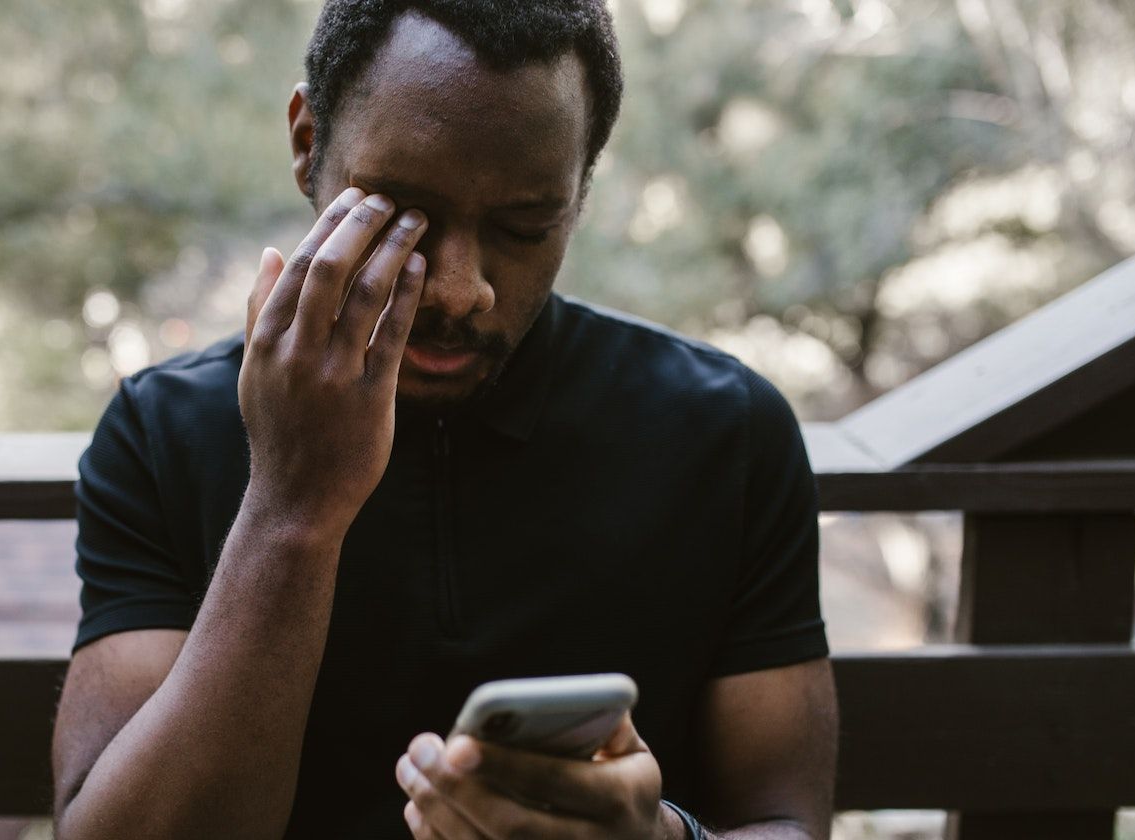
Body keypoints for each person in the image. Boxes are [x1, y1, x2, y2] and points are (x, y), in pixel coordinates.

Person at [52, 1, 837, 838]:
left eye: (524, 226)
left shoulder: (725, 434)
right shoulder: (161, 432)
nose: (462, 291)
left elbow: (786, 818)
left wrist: (660, 839)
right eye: (403, 213)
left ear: (581, 189)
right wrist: (291, 506)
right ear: (307, 142)